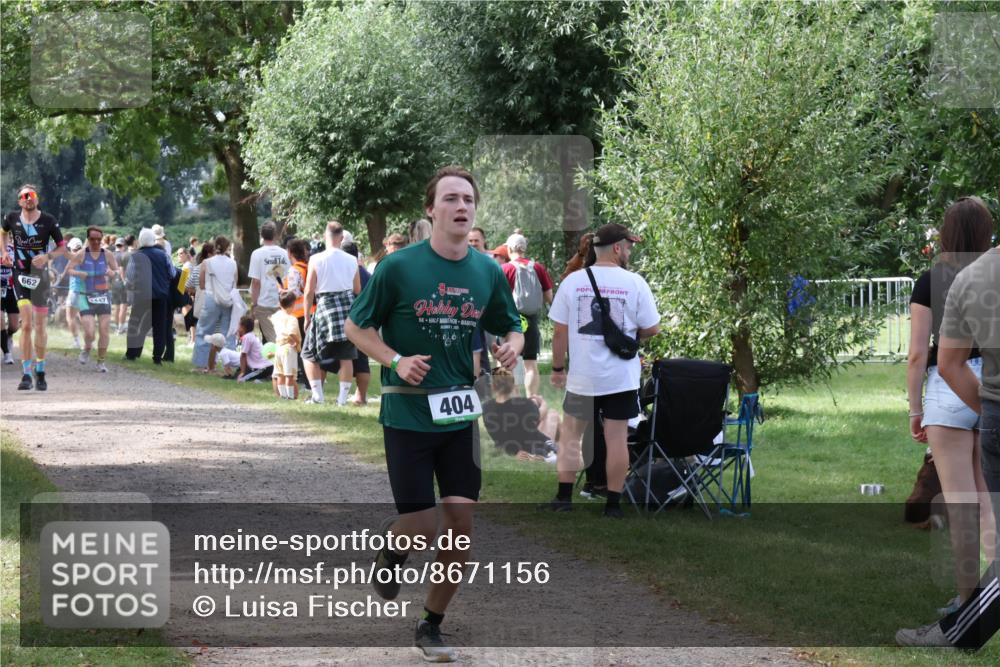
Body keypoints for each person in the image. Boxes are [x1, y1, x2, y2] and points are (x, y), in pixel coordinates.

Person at [345, 165, 523, 661]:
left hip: (459, 414)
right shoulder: (399, 267)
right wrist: (396, 360)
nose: (461, 206)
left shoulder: (487, 270)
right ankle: (393, 548)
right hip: (407, 415)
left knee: (461, 526)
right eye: (450, 198)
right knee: (422, 526)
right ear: (431, 209)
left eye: (468, 199)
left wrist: (511, 345)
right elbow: (357, 327)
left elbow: (512, 324)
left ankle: (431, 624)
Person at [898, 197, 1000, 649]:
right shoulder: (991, 275)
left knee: (960, 504)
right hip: (991, 382)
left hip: (949, 383)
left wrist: (914, 409)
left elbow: (919, 353)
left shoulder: (931, 280)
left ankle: (966, 603)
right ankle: (991, 601)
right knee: (989, 501)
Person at [543, 223, 661, 519]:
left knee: (571, 435)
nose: (630, 252)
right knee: (616, 438)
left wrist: (557, 368)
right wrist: (628, 335)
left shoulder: (573, 282)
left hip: (582, 376)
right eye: (629, 247)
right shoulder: (635, 283)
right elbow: (652, 328)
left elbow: (559, 332)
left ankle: (564, 497)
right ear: (617, 248)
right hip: (620, 377)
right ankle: (612, 505)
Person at [1, 184, 68, 391]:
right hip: (20, 274)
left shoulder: (48, 220)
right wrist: (5, 252)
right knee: (27, 324)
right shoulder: (11, 218)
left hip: (41, 277)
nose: (29, 198)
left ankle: (40, 369)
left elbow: (62, 247)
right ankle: (26, 374)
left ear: (37, 199)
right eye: (25, 196)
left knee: (40, 325)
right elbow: (3, 233)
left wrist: (47, 257)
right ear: (19, 200)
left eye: (32, 195)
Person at [300, 221, 360, 405]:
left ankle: (318, 396)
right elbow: (357, 289)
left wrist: (307, 317)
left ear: (325, 236)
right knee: (346, 356)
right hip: (348, 307)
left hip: (325, 306)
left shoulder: (316, 259)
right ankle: (342, 400)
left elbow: (309, 290)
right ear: (341, 238)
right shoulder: (352, 260)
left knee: (309, 353)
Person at [501, 232, 555, 396]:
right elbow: (549, 296)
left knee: (506, 363)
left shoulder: (505, 269)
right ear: (524, 249)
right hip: (531, 320)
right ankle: (532, 399)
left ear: (509, 249)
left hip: (510, 321)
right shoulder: (538, 268)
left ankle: (512, 400)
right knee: (530, 364)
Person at [66, 226, 120, 372]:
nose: (96, 242)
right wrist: (79, 273)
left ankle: (101, 362)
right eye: (92, 239)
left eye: (98, 239)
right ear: (88, 239)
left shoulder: (107, 254)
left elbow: (117, 271)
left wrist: (112, 273)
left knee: (104, 330)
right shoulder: (81, 254)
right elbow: (69, 269)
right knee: (90, 332)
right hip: (85, 297)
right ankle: (87, 348)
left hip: (103, 296)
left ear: (101, 239)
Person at [482, 367, 558, 460]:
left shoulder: (486, 408)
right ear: (513, 385)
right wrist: (541, 401)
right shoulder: (524, 404)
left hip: (509, 449)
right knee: (552, 414)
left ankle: (557, 446)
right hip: (530, 447)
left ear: (493, 386)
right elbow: (541, 415)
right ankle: (558, 447)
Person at [124, 228, 176, 364]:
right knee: (160, 327)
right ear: (153, 240)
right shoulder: (163, 255)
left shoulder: (135, 256)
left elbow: (130, 277)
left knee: (135, 324)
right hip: (160, 295)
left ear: (140, 240)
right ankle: (157, 358)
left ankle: (131, 354)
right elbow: (172, 273)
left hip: (141, 295)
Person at [192, 236, 238, 369]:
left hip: (211, 298)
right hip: (228, 300)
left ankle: (201, 364)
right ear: (227, 247)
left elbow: (201, 285)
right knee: (227, 333)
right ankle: (229, 366)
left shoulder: (207, 262)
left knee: (204, 331)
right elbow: (234, 284)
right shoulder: (233, 263)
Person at [341, 240, 373, 405]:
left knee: (332, 358)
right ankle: (361, 397)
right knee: (362, 359)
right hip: (364, 320)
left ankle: (319, 394)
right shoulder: (366, 274)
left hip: (345, 319)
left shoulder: (344, 270)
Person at [248, 220, 289, 344]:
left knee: (269, 340)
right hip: (282, 300)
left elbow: (256, 282)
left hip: (264, 302)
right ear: (275, 235)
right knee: (281, 336)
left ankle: (273, 357)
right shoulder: (284, 253)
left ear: (261, 235)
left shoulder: (257, 254)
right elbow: (288, 277)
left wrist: (254, 304)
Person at [270, 291, 301, 399]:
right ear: (293, 304)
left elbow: (272, 318)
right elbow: (291, 333)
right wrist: (297, 342)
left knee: (280, 374)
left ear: (280, 304)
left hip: (278, 347)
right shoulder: (292, 319)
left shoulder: (276, 316)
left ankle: (283, 396)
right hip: (288, 348)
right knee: (289, 374)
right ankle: (290, 396)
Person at [234, 315, 273, 383]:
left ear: (243, 327)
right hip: (267, 366)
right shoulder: (251, 335)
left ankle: (262, 380)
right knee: (237, 375)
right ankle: (266, 377)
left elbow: (243, 356)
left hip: (263, 368)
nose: (238, 328)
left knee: (240, 380)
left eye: (239, 326)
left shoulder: (247, 337)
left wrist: (242, 372)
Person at [62, 237, 85, 349]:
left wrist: (61, 276)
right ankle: (90, 341)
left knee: (70, 317)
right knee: (83, 317)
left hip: (75, 289)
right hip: (85, 290)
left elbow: (67, 270)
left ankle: (76, 342)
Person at [1, 242, 20, 365]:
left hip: (11, 289)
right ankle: (7, 353)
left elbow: (22, 265)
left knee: (14, 326)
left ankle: (8, 336)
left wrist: (12, 264)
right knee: (0, 321)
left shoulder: (13, 249)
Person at [111, 237, 129, 334]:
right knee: (123, 306)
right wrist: (125, 281)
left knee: (116, 306)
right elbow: (123, 269)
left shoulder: (112, 255)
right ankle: (120, 328)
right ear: (124, 245)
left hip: (114, 282)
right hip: (122, 282)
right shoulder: (124, 255)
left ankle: (116, 327)